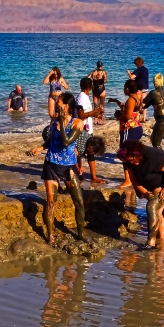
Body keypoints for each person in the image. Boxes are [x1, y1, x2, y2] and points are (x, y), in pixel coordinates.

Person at [118, 141, 164, 250]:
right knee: (159, 213)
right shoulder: (128, 160)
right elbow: (134, 180)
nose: (132, 163)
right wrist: (144, 192)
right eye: (129, 161)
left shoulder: (153, 156)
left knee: (152, 208)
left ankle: (151, 242)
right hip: (152, 187)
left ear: (137, 155)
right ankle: (162, 243)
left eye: (133, 160)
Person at [41, 92, 86, 245]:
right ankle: (50, 237)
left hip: (69, 167)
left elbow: (66, 142)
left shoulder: (77, 123)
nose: (56, 103)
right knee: (51, 202)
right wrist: (39, 147)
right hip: (51, 164)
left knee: (79, 201)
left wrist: (61, 119)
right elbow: (50, 141)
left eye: (58, 101)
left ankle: (80, 234)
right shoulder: (54, 121)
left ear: (66, 106)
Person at [76, 78, 105, 183]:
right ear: (91, 87)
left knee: (87, 153)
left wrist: (96, 113)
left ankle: (91, 176)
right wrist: (94, 112)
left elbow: (87, 113)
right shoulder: (81, 98)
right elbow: (81, 115)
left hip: (87, 129)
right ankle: (81, 173)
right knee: (81, 152)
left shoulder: (84, 97)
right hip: (83, 130)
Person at [143, 73, 164, 148]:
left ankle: (162, 158)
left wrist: (139, 94)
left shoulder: (153, 93)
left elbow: (145, 101)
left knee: (156, 144)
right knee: (154, 140)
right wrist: (144, 107)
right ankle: (160, 157)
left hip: (161, 120)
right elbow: (154, 101)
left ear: (154, 82)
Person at [113, 79, 143, 146]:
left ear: (127, 89)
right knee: (132, 150)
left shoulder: (131, 100)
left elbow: (127, 117)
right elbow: (128, 109)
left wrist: (118, 117)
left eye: (124, 87)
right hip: (136, 126)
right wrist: (116, 101)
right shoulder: (136, 98)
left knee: (124, 150)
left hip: (129, 128)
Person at [127, 57, 149, 122]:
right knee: (144, 103)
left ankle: (137, 117)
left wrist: (128, 73)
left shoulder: (138, 70)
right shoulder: (146, 69)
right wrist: (132, 73)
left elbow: (131, 77)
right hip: (146, 87)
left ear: (137, 64)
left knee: (138, 102)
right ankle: (144, 118)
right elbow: (140, 77)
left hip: (139, 88)